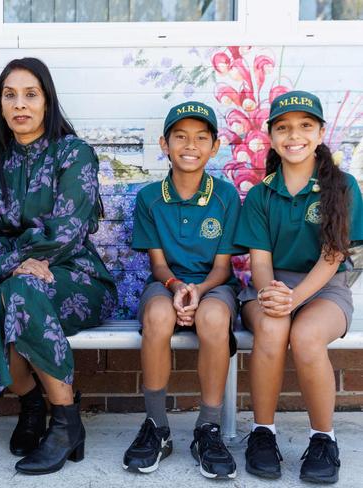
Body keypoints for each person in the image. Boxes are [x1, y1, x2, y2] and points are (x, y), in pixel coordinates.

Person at [0, 57, 117, 475]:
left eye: (30, 94)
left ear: (47, 101)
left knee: (16, 293)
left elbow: (66, 232)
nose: (20, 104)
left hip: (78, 279)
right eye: (10, 95)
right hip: (20, 280)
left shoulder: (74, 154)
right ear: (1, 105)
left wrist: (0, 267)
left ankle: (66, 423)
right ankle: (32, 405)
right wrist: (16, 264)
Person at [235, 90, 363, 484]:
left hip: (325, 289)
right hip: (271, 286)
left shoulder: (343, 187)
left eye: (306, 126)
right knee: (272, 329)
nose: (295, 135)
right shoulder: (261, 193)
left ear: (321, 132)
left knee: (306, 336)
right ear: (271, 136)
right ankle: (263, 434)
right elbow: (259, 259)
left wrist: (295, 299)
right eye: (284, 127)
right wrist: (272, 295)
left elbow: (334, 256)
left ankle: (323, 440)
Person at [124, 101, 241, 479]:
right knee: (158, 315)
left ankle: (207, 428)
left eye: (201, 138)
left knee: (213, 317)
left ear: (214, 146)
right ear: (164, 144)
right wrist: (176, 288)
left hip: (213, 285)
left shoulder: (225, 196)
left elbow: (223, 269)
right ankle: (156, 427)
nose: (190, 145)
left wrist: (198, 291)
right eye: (180, 137)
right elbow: (158, 265)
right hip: (166, 284)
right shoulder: (149, 197)